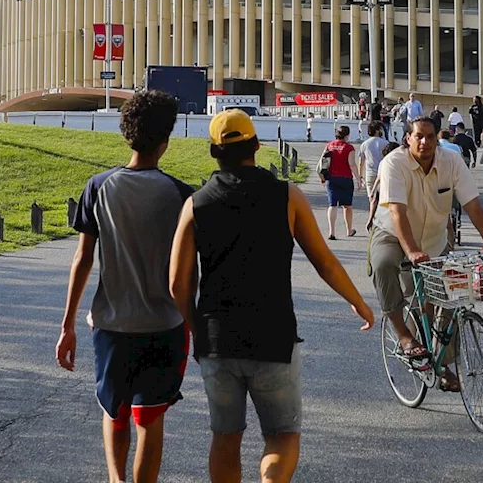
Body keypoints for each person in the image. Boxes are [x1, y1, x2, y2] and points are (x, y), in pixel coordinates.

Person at [169, 110, 374, 483]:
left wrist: (195, 327)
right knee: (281, 436)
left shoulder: (195, 204)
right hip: (273, 337)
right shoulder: (287, 196)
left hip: (217, 339)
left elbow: (177, 283)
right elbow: (323, 261)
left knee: (225, 438)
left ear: (214, 152)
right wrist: (357, 301)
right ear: (257, 146)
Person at [57, 90, 193, 483]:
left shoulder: (98, 187)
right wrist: (197, 325)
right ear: (166, 141)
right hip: (164, 325)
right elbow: (188, 272)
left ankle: (116, 481)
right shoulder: (180, 195)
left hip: (111, 326)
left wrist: (67, 325)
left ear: (125, 135)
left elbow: (82, 259)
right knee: (149, 418)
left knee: (114, 411)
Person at [369, 117, 483, 392]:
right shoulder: (394, 163)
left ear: (437, 140)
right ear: (408, 138)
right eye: (419, 136)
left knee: (446, 297)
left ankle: (442, 364)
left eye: (430, 137)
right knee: (383, 264)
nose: (425, 142)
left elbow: (472, 203)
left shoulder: (451, 162)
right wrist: (412, 250)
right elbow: (397, 212)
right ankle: (404, 335)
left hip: (434, 240)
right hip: (394, 234)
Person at [321, 125, 361, 240]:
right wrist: (358, 178)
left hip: (331, 178)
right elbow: (352, 164)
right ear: (347, 135)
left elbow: (324, 162)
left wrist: (323, 177)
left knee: (332, 205)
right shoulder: (349, 148)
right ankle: (349, 230)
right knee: (347, 206)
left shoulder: (329, 145)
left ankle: (332, 231)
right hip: (345, 178)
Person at [357, 121, 389, 198]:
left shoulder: (365, 144)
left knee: (371, 198)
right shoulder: (386, 143)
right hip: (383, 173)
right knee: (382, 198)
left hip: (370, 173)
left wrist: (360, 176)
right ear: (378, 130)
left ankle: (372, 210)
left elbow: (361, 162)